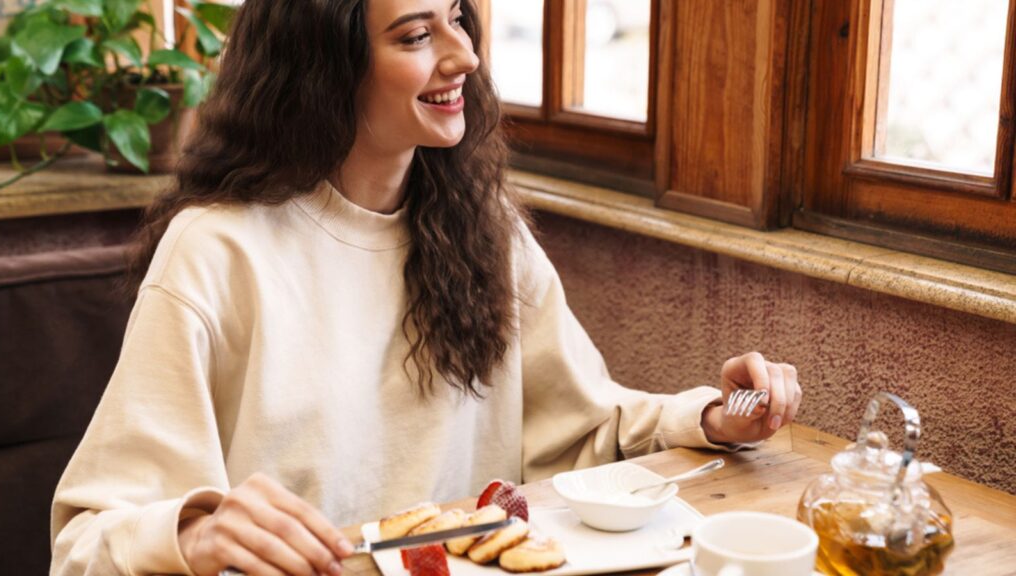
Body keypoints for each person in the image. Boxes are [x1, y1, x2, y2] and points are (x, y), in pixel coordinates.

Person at [49, 1, 803, 575]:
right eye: (415, 36)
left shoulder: (486, 228)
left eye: (458, 20)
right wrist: (197, 532)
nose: (465, 56)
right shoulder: (216, 251)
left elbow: (581, 429)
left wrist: (711, 415)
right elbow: (83, 543)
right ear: (324, 67)